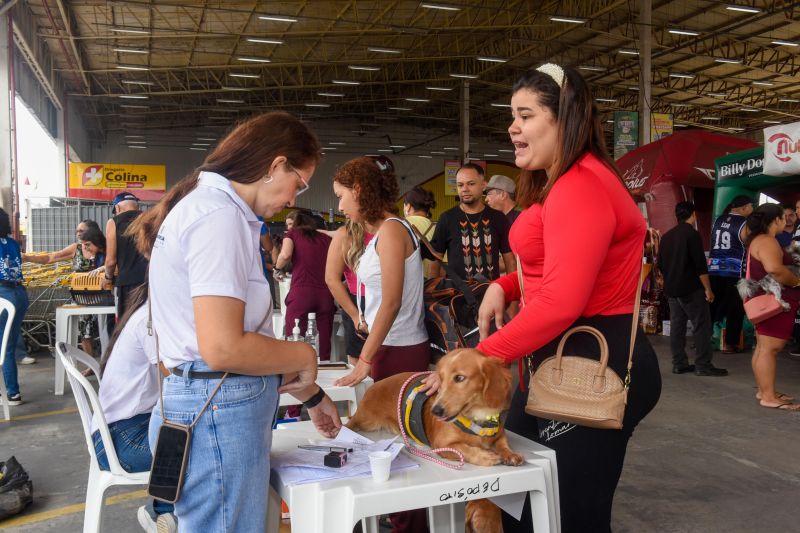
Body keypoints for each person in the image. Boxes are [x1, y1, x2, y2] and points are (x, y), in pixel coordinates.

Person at [425, 64, 661, 533]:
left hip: (591, 364)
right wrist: (505, 285)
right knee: (519, 505)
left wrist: (477, 358)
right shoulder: (560, 182)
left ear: (565, 118)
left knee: (566, 516)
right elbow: (560, 265)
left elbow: (561, 302)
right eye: (512, 115)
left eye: (526, 115)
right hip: (557, 361)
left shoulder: (581, 185)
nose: (513, 127)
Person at [129, 111, 341, 532]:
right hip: (218, 408)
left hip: (205, 400)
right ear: (276, 165)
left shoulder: (209, 209)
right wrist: (303, 354)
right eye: (299, 182)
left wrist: (312, 394)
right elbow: (224, 347)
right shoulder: (218, 217)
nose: (294, 198)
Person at [332, 157, 431, 533]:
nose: (340, 205)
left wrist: (365, 359)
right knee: (390, 446)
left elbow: (390, 302)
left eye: (342, 196)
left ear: (360, 191)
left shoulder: (391, 231)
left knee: (403, 447)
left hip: (400, 350)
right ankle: (402, 520)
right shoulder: (381, 233)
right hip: (387, 347)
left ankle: (409, 525)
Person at [91, 285, 177, 532]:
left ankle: (165, 512)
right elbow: (178, 378)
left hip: (122, 428)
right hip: (120, 440)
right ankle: (161, 513)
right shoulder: (150, 322)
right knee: (200, 446)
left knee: (190, 431)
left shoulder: (148, 313)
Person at [744, 203, 800, 411]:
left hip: (766, 299)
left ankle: (765, 390)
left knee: (763, 348)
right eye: (784, 216)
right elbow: (775, 269)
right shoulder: (767, 240)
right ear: (776, 220)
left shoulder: (760, 239)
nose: (787, 220)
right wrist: (797, 282)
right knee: (769, 349)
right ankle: (768, 396)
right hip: (773, 301)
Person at [660, 202, 725, 376]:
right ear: (693, 215)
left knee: (677, 327)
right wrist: (708, 289)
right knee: (701, 326)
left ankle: (679, 363)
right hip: (690, 290)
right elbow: (700, 266)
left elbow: (661, 265)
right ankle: (703, 365)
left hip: (671, 290)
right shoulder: (692, 235)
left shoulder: (666, 236)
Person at [430, 163, 515, 280]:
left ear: (483, 185)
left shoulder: (498, 218)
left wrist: (512, 290)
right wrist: (432, 287)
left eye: (471, 184)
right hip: (456, 290)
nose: (465, 189)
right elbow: (435, 259)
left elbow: (510, 260)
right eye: (460, 185)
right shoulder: (446, 218)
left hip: (491, 290)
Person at [275, 210, 335, 361]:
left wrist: (276, 268)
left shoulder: (292, 234)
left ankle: (296, 366)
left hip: (301, 292)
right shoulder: (326, 238)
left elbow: (285, 255)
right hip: (325, 293)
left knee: (295, 334)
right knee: (324, 338)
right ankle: (324, 366)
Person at [708, 194, 753, 353]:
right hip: (733, 270)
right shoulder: (744, 223)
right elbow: (749, 244)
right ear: (744, 208)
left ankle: (704, 339)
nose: (752, 209)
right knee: (735, 308)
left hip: (714, 268)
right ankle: (730, 343)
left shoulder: (718, 220)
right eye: (751, 206)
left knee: (713, 305)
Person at [324, 221, 373, 367]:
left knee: (368, 357)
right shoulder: (345, 234)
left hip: (371, 300)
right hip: (359, 301)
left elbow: (332, 280)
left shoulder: (388, 228)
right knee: (360, 357)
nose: (340, 209)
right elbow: (331, 280)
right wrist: (355, 316)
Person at [103, 192, 148, 317]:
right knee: (148, 321)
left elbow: (110, 261)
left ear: (117, 208)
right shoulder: (149, 218)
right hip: (150, 281)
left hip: (127, 284)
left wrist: (107, 278)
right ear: (137, 206)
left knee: (126, 322)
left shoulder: (113, 222)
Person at [0, 208, 28, 406]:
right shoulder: (12, 243)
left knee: (4, 346)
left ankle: (11, 392)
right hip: (19, 294)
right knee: (7, 344)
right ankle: (11, 391)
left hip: (3, 293)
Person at [22, 219, 100, 269]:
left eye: (81, 231)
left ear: (92, 231)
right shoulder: (76, 248)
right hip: (80, 289)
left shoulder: (103, 247)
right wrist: (27, 258)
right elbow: (50, 258)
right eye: (77, 231)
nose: (78, 234)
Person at [403, 186, 438, 278]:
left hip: (405, 282)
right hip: (428, 283)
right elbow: (441, 267)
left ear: (408, 207)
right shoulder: (437, 228)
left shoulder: (400, 225)